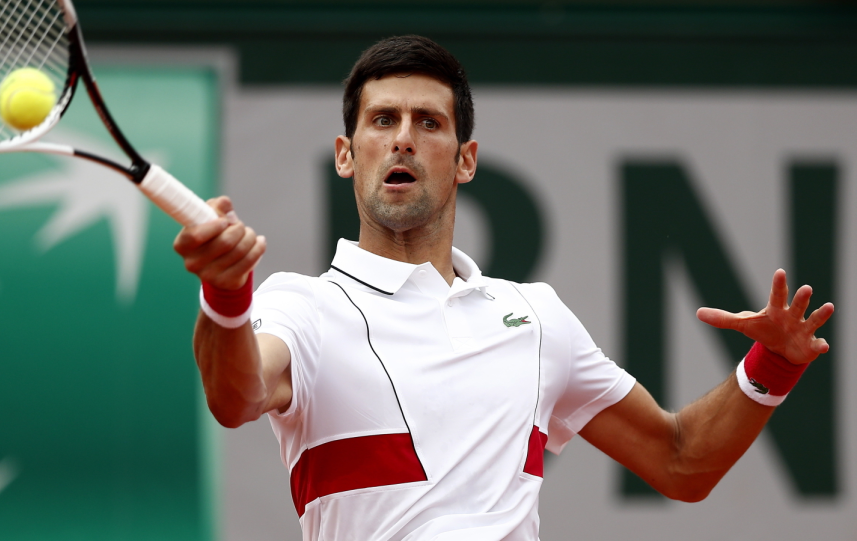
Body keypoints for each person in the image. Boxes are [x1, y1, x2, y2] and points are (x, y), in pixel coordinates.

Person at [173, 35, 834, 540]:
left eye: (428, 123)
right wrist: (227, 297)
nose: (403, 138)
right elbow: (237, 396)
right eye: (382, 121)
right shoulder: (302, 306)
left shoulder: (534, 316)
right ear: (347, 154)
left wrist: (772, 364)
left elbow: (681, 461)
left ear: (465, 160)